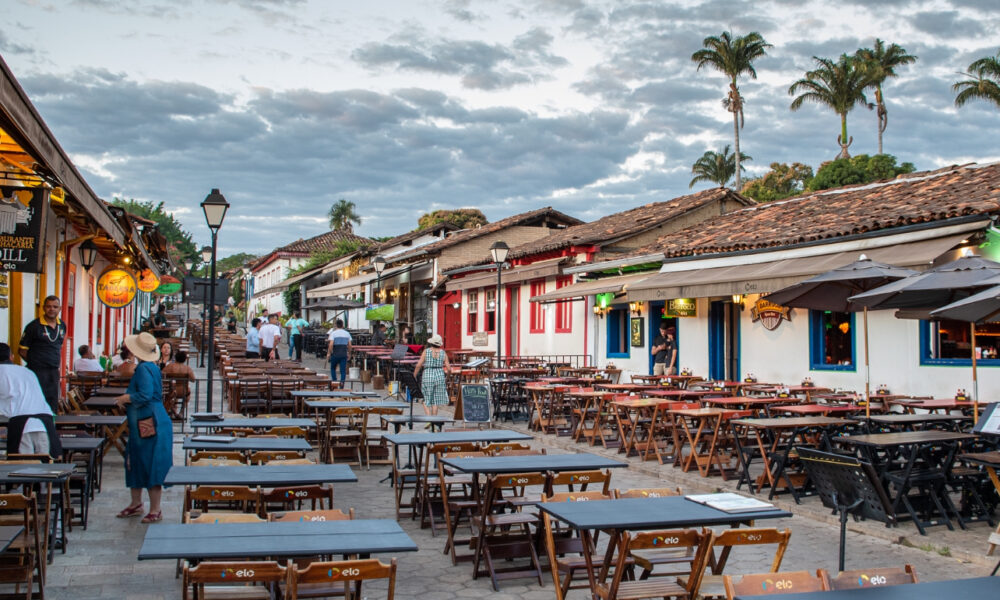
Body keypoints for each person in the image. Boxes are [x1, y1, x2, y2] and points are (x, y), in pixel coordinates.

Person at [113, 332, 172, 523]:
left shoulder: (143, 369)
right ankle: (136, 503)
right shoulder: (150, 367)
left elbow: (145, 394)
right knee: (137, 457)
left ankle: (155, 508)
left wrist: (125, 398)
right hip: (147, 418)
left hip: (148, 420)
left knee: (150, 460)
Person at [0, 343, 61, 457]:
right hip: (45, 423)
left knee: (23, 470)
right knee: (48, 469)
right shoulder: (27, 371)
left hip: (21, 426)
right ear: (11, 357)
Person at [19, 295, 66, 412]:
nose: (52, 309)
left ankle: (51, 427)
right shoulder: (33, 326)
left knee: (52, 401)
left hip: (54, 370)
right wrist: (36, 363)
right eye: (49, 306)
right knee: (36, 400)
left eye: (55, 307)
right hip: (37, 371)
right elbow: (22, 350)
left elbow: (59, 345)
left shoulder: (62, 325)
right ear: (44, 308)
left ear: (59, 309)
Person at [414, 334, 450, 417]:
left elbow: (418, 365)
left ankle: (429, 418)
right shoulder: (443, 353)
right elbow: (449, 368)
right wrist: (447, 377)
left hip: (428, 374)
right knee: (435, 401)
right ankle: (434, 422)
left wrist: (414, 376)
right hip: (439, 375)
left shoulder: (426, 351)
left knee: (425, 398)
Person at [161, 350, 196, 418]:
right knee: (188, 394)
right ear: (184, 359)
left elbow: (162, 374)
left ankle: (173, 411)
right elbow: (193, 379)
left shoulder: (170, 366)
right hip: (183, 392)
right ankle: (181, 411)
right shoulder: (187, 368)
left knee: (168, 397)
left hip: (171, 391)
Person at [326, 319, 351, 385]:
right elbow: (350, 345)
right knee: (343, 371)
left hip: (335, 353)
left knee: (333, 368)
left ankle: (334, 382)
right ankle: (342, 383)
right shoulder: (347, 333)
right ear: (343, 325)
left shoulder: (333, 333)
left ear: (336, 325)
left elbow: (331, 344)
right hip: (343, 353)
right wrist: (349, 353)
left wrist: (329, 353)